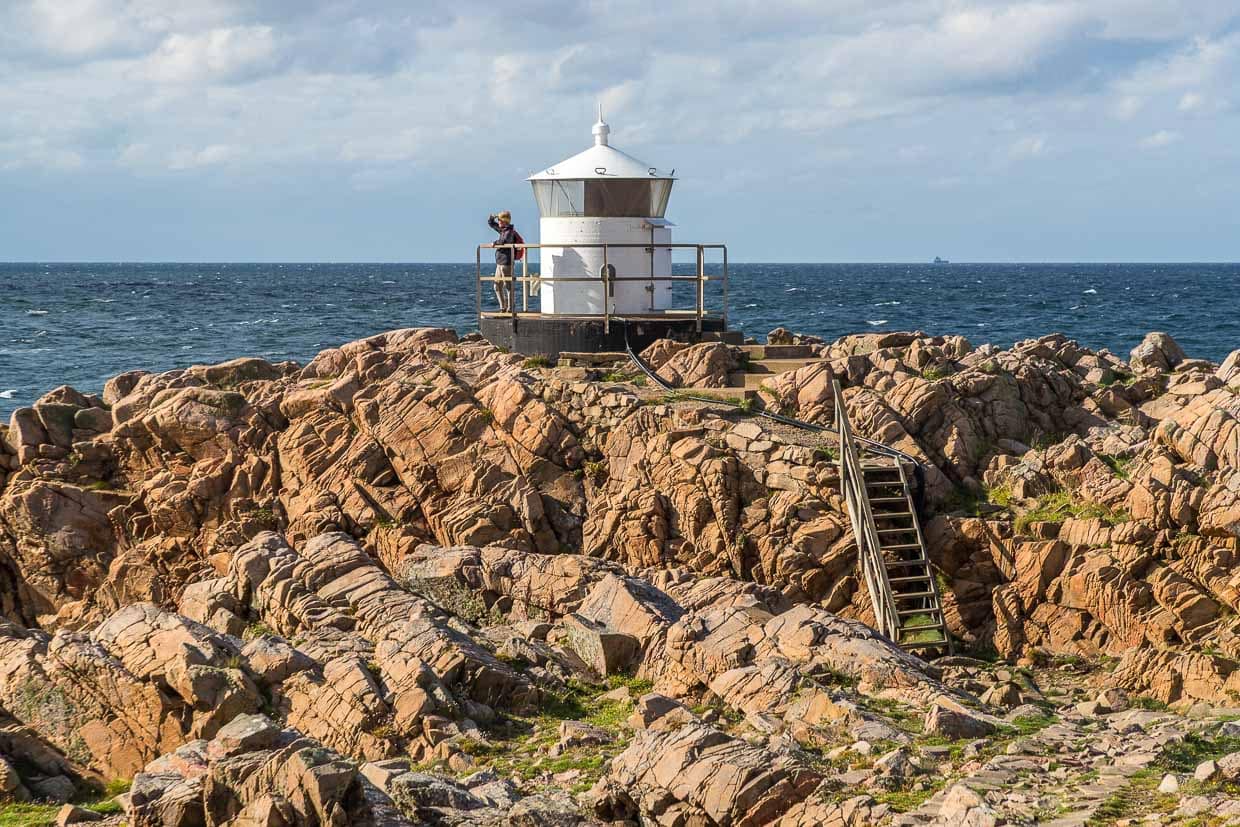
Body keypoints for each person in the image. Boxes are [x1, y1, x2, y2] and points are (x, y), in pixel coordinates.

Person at [487, 211, 519, 312]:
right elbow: (492, 225)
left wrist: (494, 243)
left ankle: (510, 308)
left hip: (506, 263)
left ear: (505, 221)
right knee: (497, 285)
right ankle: (503, 307)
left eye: (500, 220)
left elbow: (503, 241)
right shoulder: (503, 230)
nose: (499, 221)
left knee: (508, 285)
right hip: (500, 262)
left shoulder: (509, 232)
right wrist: (492, 218)